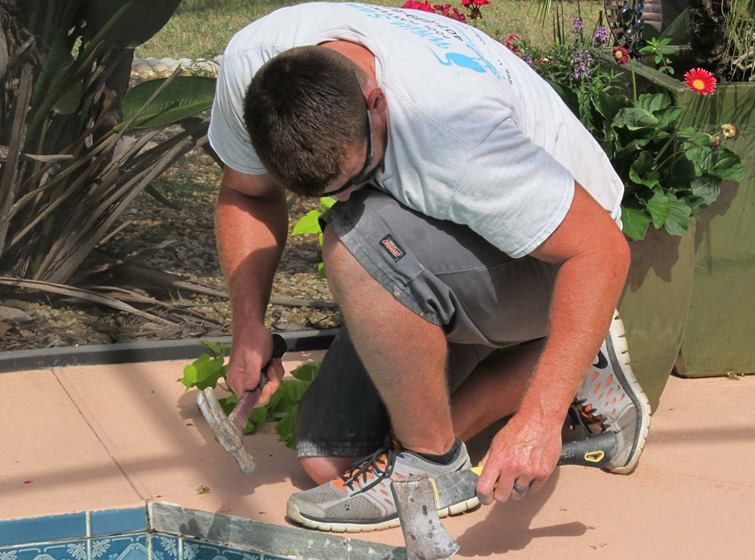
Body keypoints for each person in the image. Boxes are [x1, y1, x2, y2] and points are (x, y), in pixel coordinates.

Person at [208, 2, 651, 532]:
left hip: (555, 260)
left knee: (356, 236)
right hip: (446, 235)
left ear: (376, 102)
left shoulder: (454, 130)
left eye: (354, 175)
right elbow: (246, 193)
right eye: (321, 192)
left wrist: (541, 418)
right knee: (330, 461)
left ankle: (436, 463)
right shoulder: (254, 68)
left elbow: (601, 251)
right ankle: (563, 365)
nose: (344, 196)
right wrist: (250, 327)